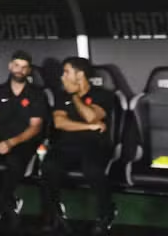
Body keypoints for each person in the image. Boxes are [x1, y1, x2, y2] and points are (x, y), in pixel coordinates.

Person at [42, 57, 116, 236]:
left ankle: (106, 214)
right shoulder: (61, 96)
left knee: (93, 169)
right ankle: (55, 214)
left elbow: (91, 116)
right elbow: (60, 123)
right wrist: (89, 127)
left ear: (80, 74)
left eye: (66, 72)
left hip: (94, 145)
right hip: (66, 145)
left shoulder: (103, 95)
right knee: (48, 166)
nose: (62, 77)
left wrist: (75, 96)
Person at [0, 51, 46, 232]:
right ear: (10, 66)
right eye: (17, 65)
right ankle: (10, 202)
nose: (20, 70)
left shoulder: (36, 94)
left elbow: (35, 127)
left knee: (13, 163)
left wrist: (10, 143)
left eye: (24, 67)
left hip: (24, 142)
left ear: (29, 71)